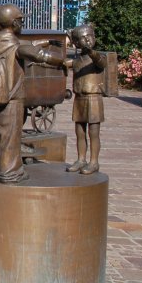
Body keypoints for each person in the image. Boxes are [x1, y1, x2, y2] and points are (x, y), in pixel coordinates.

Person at [0, 4, 65, 184]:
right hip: (10, 100)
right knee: (9, 137)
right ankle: (9, 171)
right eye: (21, 20)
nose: (22, 23)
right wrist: (63, 61)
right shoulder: (16, 46)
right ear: (14, 23)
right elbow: (42, 55)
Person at [63, 24, 106, 175]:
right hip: (79, 98)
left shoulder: (97, 57)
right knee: (79, 131)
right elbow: (64, 63)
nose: (88, 40)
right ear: (75, 42)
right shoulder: (78, 59)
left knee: (93, 132)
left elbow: (101, 62)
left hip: (93, 98)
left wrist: (91, 52)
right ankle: (81, 159)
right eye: (83, 38)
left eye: (90, 36)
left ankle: (94, 161)